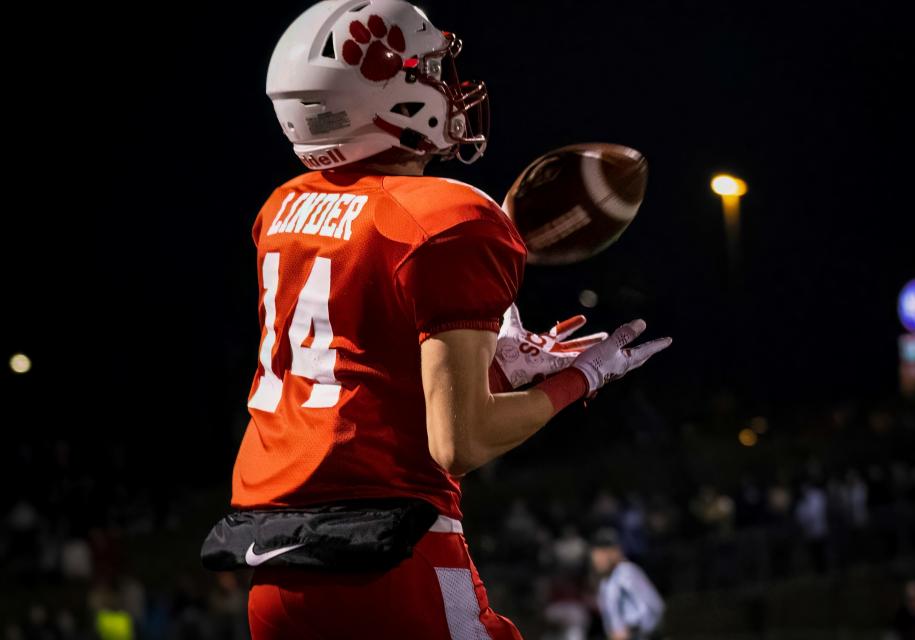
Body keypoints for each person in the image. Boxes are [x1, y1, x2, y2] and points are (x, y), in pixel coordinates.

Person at [199, 1, 672, 638]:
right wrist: (581, 379)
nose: (449, 88)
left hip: (277, 577)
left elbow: (365, 372)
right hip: (394, 560)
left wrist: (498, 369)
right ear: (385, 98)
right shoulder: (449, 215)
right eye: (429, 70)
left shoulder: (282, 208)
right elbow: (460, 442)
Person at [591, 529, 665, 640]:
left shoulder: (626, 572)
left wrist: (634, 630)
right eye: (596, 553)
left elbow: (655, 606)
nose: (598, 558)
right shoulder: (605, 583)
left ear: (615, 552)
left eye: (603, 553)